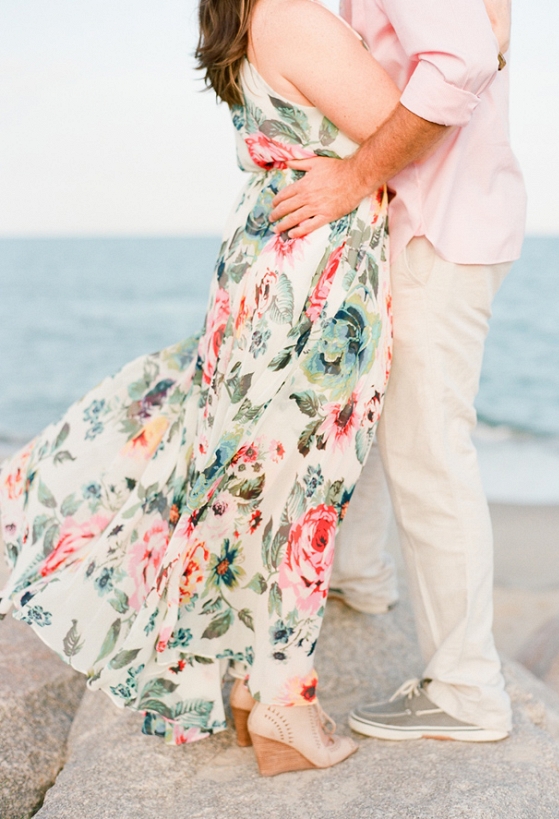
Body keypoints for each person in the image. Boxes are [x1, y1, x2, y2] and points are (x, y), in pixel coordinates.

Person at [0, 0, 410, 777]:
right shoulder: (290, 13)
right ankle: (286, 699)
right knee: (305, 479)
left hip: (275, 261)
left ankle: (262, 687)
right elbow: (405, 126)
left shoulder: (251, 17)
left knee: (255, 470)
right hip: (311, 277)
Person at [270, 0, 526, 742]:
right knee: (391, 416)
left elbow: (462, 62)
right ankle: (365, 577)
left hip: (437, 223)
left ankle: (468, 689)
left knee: (430, 455)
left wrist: (354, 175)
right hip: (445, 216)